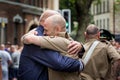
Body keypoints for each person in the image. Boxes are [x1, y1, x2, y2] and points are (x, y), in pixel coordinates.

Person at [18, 10, 84, 80]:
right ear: (47, 22)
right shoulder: (37, 38)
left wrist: (81, 47)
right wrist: (80, 64)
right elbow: (59, 63)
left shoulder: (44, 37)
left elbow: (67, 43)